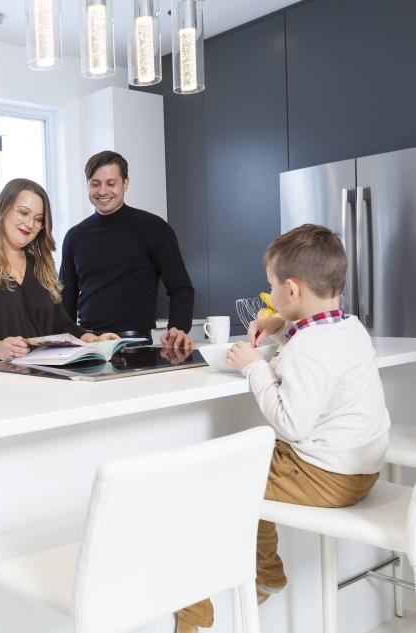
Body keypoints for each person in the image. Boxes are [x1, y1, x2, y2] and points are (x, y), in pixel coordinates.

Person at [174, 224, 390, 632]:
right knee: (249, 462)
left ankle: (195, 619)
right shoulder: (348, 327)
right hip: (360, 470)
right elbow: (319, 359)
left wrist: (255, 367)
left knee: (209, 481)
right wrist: (281, 327)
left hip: (324, 477)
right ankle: (267, 571)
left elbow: (291, 423)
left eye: (271, 285)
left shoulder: (308, 348)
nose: (269, 293)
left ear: (291, 290)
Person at [0, 178, 117, 365]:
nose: (30, 223)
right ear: (4, 209)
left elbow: (61, 325)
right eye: (23, 213)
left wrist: (94, 340)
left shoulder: (41, 267)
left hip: (37, 376)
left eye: (38, 219)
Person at [59, 151, 194, 348]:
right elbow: (65, 300)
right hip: (87, 346)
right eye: (95, 183)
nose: (103, 191)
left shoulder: (154, 228)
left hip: (136, 346)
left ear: (125, 183)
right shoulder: (74, 236)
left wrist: (177, 328)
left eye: (111, 183)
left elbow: (181, 288)